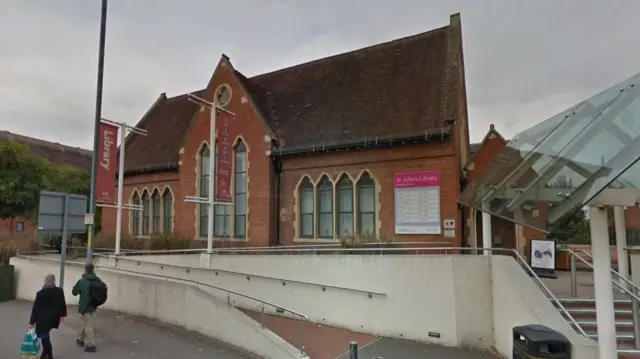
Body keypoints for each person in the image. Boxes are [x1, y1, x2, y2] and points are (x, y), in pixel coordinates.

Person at [29, 274, 67, 359]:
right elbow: (63, 304)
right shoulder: (59, 291)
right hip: (54, 318)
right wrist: (63, 315)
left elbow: (36, 309)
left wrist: (32, 322)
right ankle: (44, 354)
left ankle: (50, 356)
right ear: (54, 281)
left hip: (43, 319)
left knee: (44, 338)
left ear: (45, 281)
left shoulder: (41, 293)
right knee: (46, 335)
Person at [71, 263, 99, 352]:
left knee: (88, 325)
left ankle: (92, 344)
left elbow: (74, 292)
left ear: (85, 270)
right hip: (93, 305)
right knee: (87, 323)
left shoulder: (83, 281)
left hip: (85, 306)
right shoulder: (97, 280)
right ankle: (81, 340)